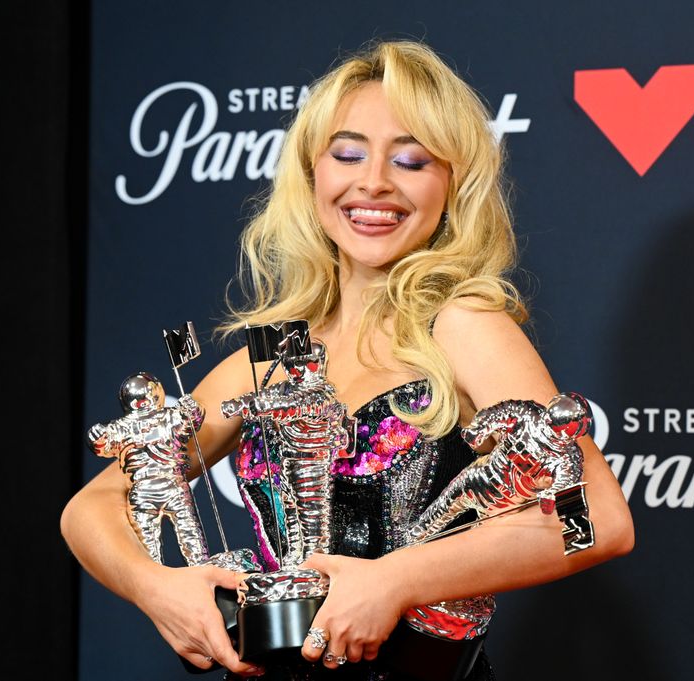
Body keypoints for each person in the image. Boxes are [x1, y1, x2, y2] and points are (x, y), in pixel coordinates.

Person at [61, 40, 634, 680]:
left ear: (454, 182)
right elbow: (91, 505)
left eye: (411, 159)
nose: (374, 182)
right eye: (349, 153)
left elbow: (599, 520)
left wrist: (394, 581)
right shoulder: (278, 354)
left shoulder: (465, 326)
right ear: (313, 173)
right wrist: (155, 588)